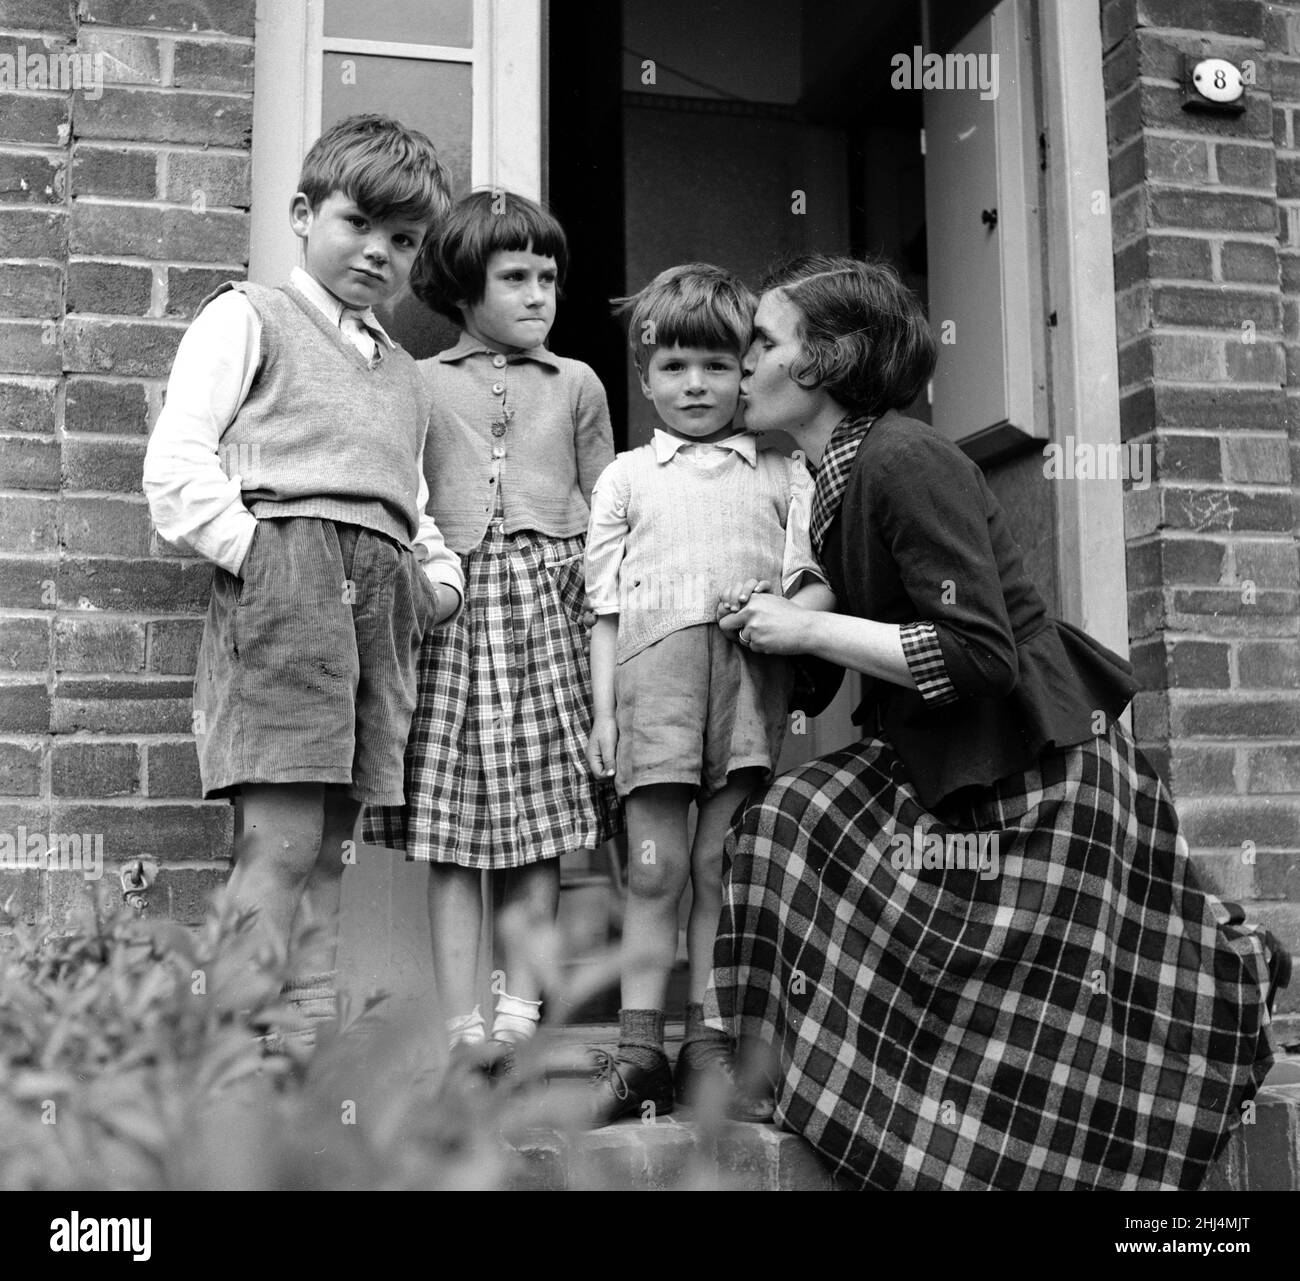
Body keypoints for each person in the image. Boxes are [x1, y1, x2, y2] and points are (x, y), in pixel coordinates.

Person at [709, 252, 1290, 1190]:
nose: (743, 360)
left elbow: (978, 652)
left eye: (764, 342)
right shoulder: (832, 478)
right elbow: (859, 608)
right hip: (950, 756)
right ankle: (793, 1076)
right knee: (784, 823)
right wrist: (791, 621)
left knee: (805, 834)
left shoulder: (905, 458)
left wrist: (810, 624)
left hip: (1037, 763)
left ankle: (1224, 982)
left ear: (821, 363)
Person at [142, 115, 465, 1041]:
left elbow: (412, 497)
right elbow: (177, 467)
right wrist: (268, 560)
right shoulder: (249, 316)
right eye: (358, 223)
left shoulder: (401, 372)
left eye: (404, 241)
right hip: (287, 601)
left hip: (376, 620)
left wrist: (433, 585)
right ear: (301, 213)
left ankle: (304, 1060)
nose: (379, 253)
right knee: (278, 843)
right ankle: (233, 1066)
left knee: (330, 852)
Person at [363, 191, 619, 1066]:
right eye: (515, 277)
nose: (538, 294)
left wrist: (600, 615)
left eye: (548, 277)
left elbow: (605, 510)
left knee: (538, 826)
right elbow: (404, 499)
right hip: (456, 615)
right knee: (454, 828)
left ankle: (519, 1015)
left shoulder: (577, 382)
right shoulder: (420, 381)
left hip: (550, 610)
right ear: (465, 288)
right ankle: (458, 1029)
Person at [582, 264, 833, 1123]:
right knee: (653, 873)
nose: (695, 385)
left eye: (717, 366)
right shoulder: (624, 477)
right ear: (644, 376)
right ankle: (639, 1048)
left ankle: (709, 1043)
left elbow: (806, 584)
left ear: (746, 372)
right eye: (673, 367)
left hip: (743, 690)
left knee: (720, 869)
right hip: (654, 691)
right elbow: (606, 611)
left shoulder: (780, 473)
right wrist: (603, 716)